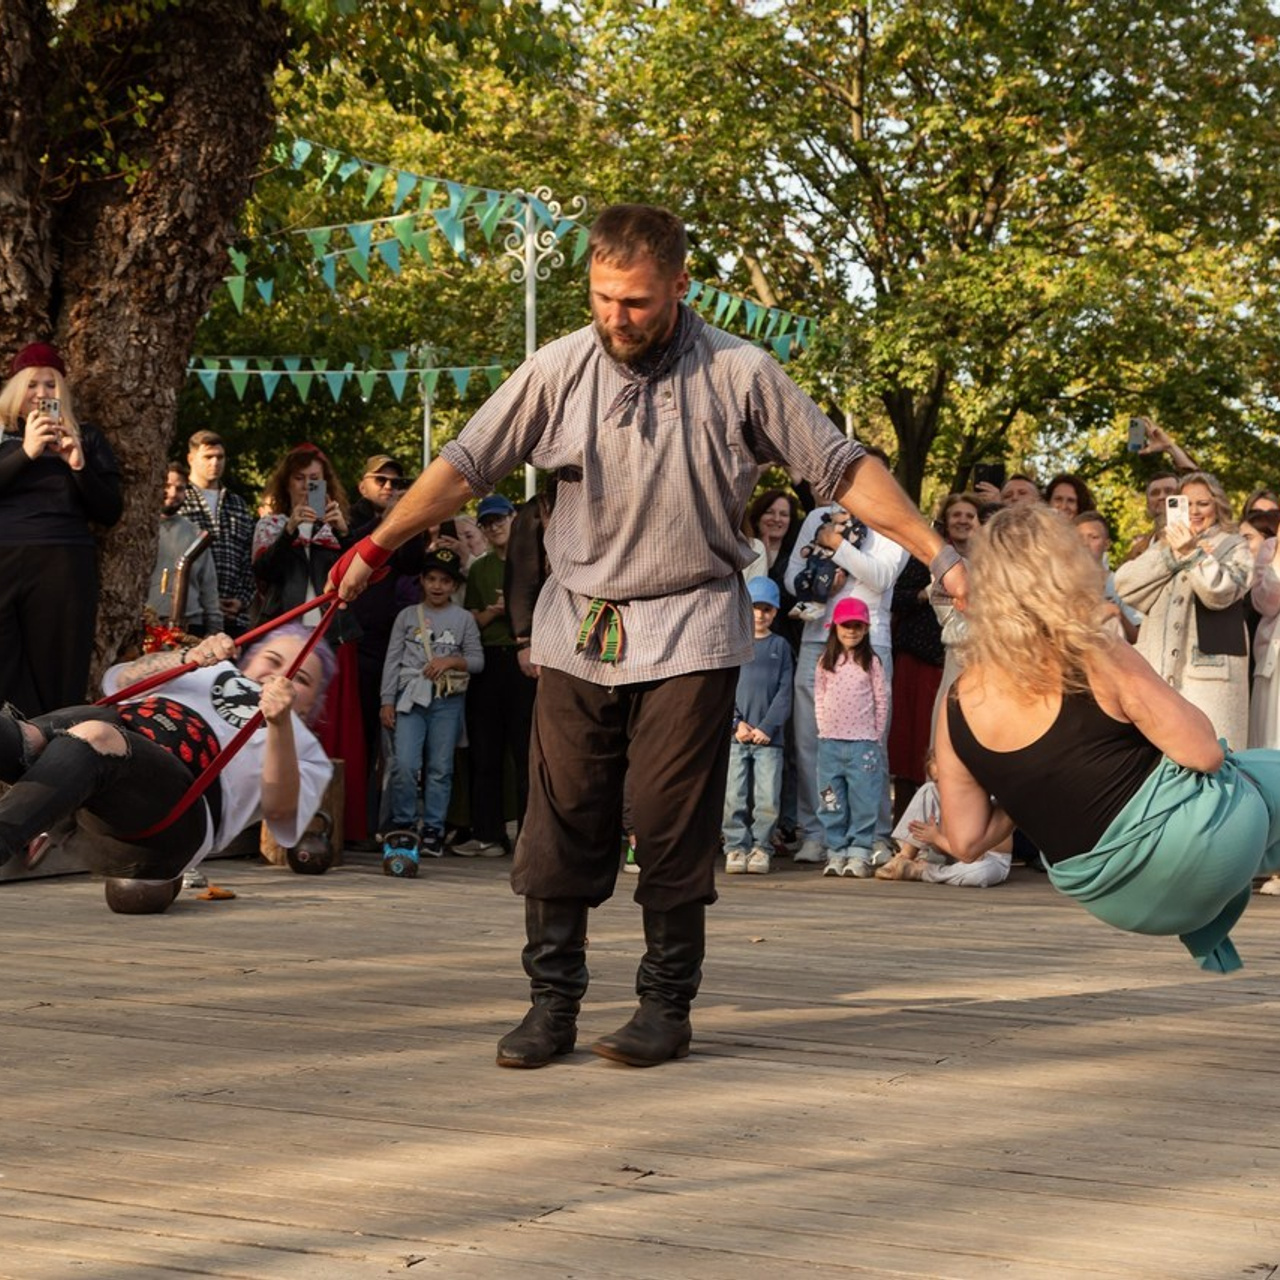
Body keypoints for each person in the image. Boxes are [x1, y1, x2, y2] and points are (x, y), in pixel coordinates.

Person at [328, 202, 966, 1070]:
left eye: (634, 302)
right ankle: (550, 1005)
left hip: (694, 621)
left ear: (679, 285)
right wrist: (376, 543)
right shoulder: (557, 368)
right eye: (601, 298)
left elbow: (841, 466)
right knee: (561, 816)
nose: (614, 318)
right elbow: (465, 463)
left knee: (669, 818)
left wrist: (938, 550)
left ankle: (665, 1007)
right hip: (581, 622)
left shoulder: (741, 371)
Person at [936, 502, 1280, 972]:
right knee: (1261, 775)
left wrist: (1032, 782)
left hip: (1121, 902)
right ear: (1065, 570)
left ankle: (1212, 912)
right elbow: (1202, 754)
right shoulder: (1095, 653)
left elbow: (965, 840)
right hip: (1200, 851)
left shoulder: (956, 702)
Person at [0, 626, 333, 895]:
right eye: (272, 660)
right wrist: (187, 656)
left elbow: (281, 814)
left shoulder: (303, 746)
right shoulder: (211, 669)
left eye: (301, 679)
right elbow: (122, 679)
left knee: (98, 734)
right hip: (85, 758)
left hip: (170, 822)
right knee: (32, 738)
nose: (280, 676)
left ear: (311, 705)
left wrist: (280, 724)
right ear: (249, 660)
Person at [0, 342, 123, 715]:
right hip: (4, 558)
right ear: (16, 390)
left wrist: (78, 465)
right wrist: (27, 452)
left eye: (51, 386)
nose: (41, 394)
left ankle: (49, 762)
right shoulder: (5, 437)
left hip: (63, 561)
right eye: (32, 385)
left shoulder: (86, 437)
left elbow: (109, 511)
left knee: (59, 672)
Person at [253, 442, 366, 841]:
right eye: (299, 479)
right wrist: (288, 533)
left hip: (332, 637)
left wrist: (343, 532)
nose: (306, 486)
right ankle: (275, 825)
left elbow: (361, 574)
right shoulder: (271, 524)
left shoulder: (341, 525)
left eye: (314, 480)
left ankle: (338, 826)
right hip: (286, 641)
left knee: (335, 729)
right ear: (286, 483)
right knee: (284, 724)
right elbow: (263, 571)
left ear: (326, 484)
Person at [785, 502, 906, 865]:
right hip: (816, 637)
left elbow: (881, 576)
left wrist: (836, 546)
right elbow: (792, 577)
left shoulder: (891, 519)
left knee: (871, 743)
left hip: (870, 640)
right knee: (812, 743)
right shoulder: (818, 516)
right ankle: (816, 832)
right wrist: (818, 575)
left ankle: (874, 835)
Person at [1115, 471, 1253, 748]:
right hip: (1157, 673)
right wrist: (1172, 555)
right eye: (1186, 503)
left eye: (1203, 503)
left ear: (1218, 505)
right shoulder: (1163, 547)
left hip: (1210, 681)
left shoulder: (1234, 545)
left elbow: (1221, 593)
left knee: (1214, 757)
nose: (1194, 511)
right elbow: (1124, 585)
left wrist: (1193, 554)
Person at [380, 549, 484, 857]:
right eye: (432, 579)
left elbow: (478, 661)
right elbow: (393, 660)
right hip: (409, 697)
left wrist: (451, 660)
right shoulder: (406, 616)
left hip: (447, 700)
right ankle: (404, 824)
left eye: (445, 580)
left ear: (454, 585)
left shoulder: (464, 619)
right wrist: (387, 700)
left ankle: (433, 830)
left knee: (440, 768)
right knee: (404, 764)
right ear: (422, 581)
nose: (437, 586)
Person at [456, 492, 536, 857]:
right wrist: (495, 612)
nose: (495, 527)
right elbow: (471, 619)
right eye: (487, 522)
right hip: (488, 657)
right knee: (485, 750)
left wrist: (517, 613)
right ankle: (487, 832)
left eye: (500, 519)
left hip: (526, 660)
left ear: (513, 518)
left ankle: (529, 833)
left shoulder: (533, 560)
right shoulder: (481, 568)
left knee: (525, 751)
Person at [812, 597, 888, 878]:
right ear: (835, 628)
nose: (852, 632)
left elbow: (881, 699)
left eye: (858, 626)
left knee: (864, 799)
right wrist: (822, 727)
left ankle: (859, 852)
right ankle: (835, 849)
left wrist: (875, 736)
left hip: (863, 745)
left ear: (866, 629)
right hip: (830, 743)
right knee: (830, 798)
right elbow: (819, 696)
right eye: (847, 626)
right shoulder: (826, 661)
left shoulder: (872, 662)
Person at [722, 577, 793, 875]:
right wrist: (737, 723)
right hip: (738, 737)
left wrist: (767, 727)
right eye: (755, 608)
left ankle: (761, 847)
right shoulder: (734, 643)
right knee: (734, 795)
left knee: (766, 798)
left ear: (775, 612)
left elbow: (785, 691)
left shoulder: (781, 646)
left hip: (769, 740)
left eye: (767, 609)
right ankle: (735, 847)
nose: (760, 615)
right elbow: (725, 688)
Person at [875, 751, 1012, 886]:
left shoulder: (991, 801)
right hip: (951, 854)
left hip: (985, 861)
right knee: (928, 789)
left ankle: (920, 871)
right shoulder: (937, 793)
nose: (943, 787)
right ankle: (904, 856)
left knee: (980, 873)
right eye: (937, 781)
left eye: (948, 780)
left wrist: (936, 838)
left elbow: (976, 856)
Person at [178, 430, 257, 639]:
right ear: (191, 458)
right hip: (190, 614)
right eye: (208, 457)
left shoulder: (237, 505)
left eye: (220, 457)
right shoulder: (179, 500)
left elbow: (249, 560)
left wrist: (241, 600)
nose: (215, 463)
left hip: (233, 618)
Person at [148, 461, 222, 635]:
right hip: (147, 624)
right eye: (167, 486)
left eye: (180, 489)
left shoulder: (196, 534)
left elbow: (209, 588)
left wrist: (215, 631)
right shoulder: (139, 530)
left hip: (189, 626)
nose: (172, 494)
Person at [1073, 511, 1140, 644]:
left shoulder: (1121, 583)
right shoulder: (1063, 583)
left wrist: (1118, 614)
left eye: (1093, 537)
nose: (1085, 544)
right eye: (1080, 538)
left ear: (1107, 544)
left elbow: (1139, 637)